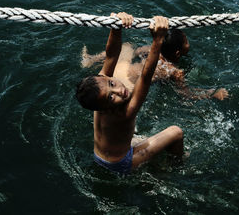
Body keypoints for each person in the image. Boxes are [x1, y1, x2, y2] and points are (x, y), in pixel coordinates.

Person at [76, 12, 185, 175]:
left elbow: (112, 54)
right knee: (176, 132)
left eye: (112, 84)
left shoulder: (100, 97)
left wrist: (116, 27)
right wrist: (158, 40)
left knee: (140, 138)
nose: (120, 90)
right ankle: (175, 167)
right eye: (111, 97)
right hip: (122, 163)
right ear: (105, 106)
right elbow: (146, 75)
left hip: (100, 156)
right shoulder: (126, 112)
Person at [81, 25, 229, 101]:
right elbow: (185, 95)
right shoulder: (174, 71)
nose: (188, 43)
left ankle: (90, 61)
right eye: (186, 42)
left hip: (121, 70)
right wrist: (212, 94)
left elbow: (138, 51)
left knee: (127, 46)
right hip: (129, 87)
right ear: (178, 53)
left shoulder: (149, 49)